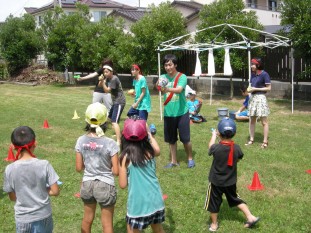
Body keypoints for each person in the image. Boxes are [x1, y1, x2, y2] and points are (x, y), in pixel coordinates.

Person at [204, 118, 260, 232]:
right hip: (230, 181)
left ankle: (214, 225)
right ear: (234, 133)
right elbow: (238, 159)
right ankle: (250, 217)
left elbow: (210, 147)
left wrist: (213, 136)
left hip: (216, 182)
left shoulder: (216, 148)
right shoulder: (237, 148)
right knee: (235, 199)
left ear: (219, 133)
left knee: (213, 203)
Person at [3, 126, 60, 232]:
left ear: (12, 146)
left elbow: (12, 197)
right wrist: (43, 189)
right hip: (43, 216)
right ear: (35, 143)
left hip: (23, 219)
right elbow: (55, 191)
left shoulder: (9, 169)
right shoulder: (44, 164)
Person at [75, 102, 119, 233]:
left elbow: (78, 167)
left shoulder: (80, 140)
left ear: (87, 120)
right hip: (105, 184)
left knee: (87, 219)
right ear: (105, 120)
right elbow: (116, 171)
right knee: (107, 224)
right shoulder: (110, 143)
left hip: (87, 184)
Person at [119, 118, 165, 233]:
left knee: (131, 229)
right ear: (145, 137)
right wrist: (149, 133)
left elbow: (122, 184)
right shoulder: (150, 152)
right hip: (156, 201)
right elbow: (158, 150)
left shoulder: (125, 158)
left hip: (138, 205)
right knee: (158, 229)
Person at [158, 54, 195, 168]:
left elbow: (179, 90)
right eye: (166, 65)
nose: (168, 67)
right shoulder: (163, 76)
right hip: (169, 113)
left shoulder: (182, 77)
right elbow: (160, 89)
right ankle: (174, 161)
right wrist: (158, 85)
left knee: (185, 139)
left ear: (175, 65)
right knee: (171, 139)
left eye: (170, 65)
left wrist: (167, 88)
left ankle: (190, 158)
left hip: (182, 112)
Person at [245, 57, 271, 149]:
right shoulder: (252, 75)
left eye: (253, 64)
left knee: (264, 121)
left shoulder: (265, 74)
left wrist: (256, 89)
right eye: (251, 64)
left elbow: (268, 88)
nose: (251, 66)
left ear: (258, 65)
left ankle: (265, 141)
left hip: (261, 98)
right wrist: (248, 90)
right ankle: (251, 139)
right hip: (253, 98)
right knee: (252, 120)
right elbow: (251, 86)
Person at [102, 64, 126, 146]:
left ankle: (119, 141)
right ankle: (117, 134)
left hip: (119, 101)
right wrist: (102, 81)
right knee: (110, 118)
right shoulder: (108, 78)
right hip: (115, 101)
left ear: (111, 72)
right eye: (104, 72)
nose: (105, 73)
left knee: (114, 121)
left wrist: (102, 82)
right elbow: (101, 85)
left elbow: (107, 91)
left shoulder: (113, 79)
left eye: (107, 72)